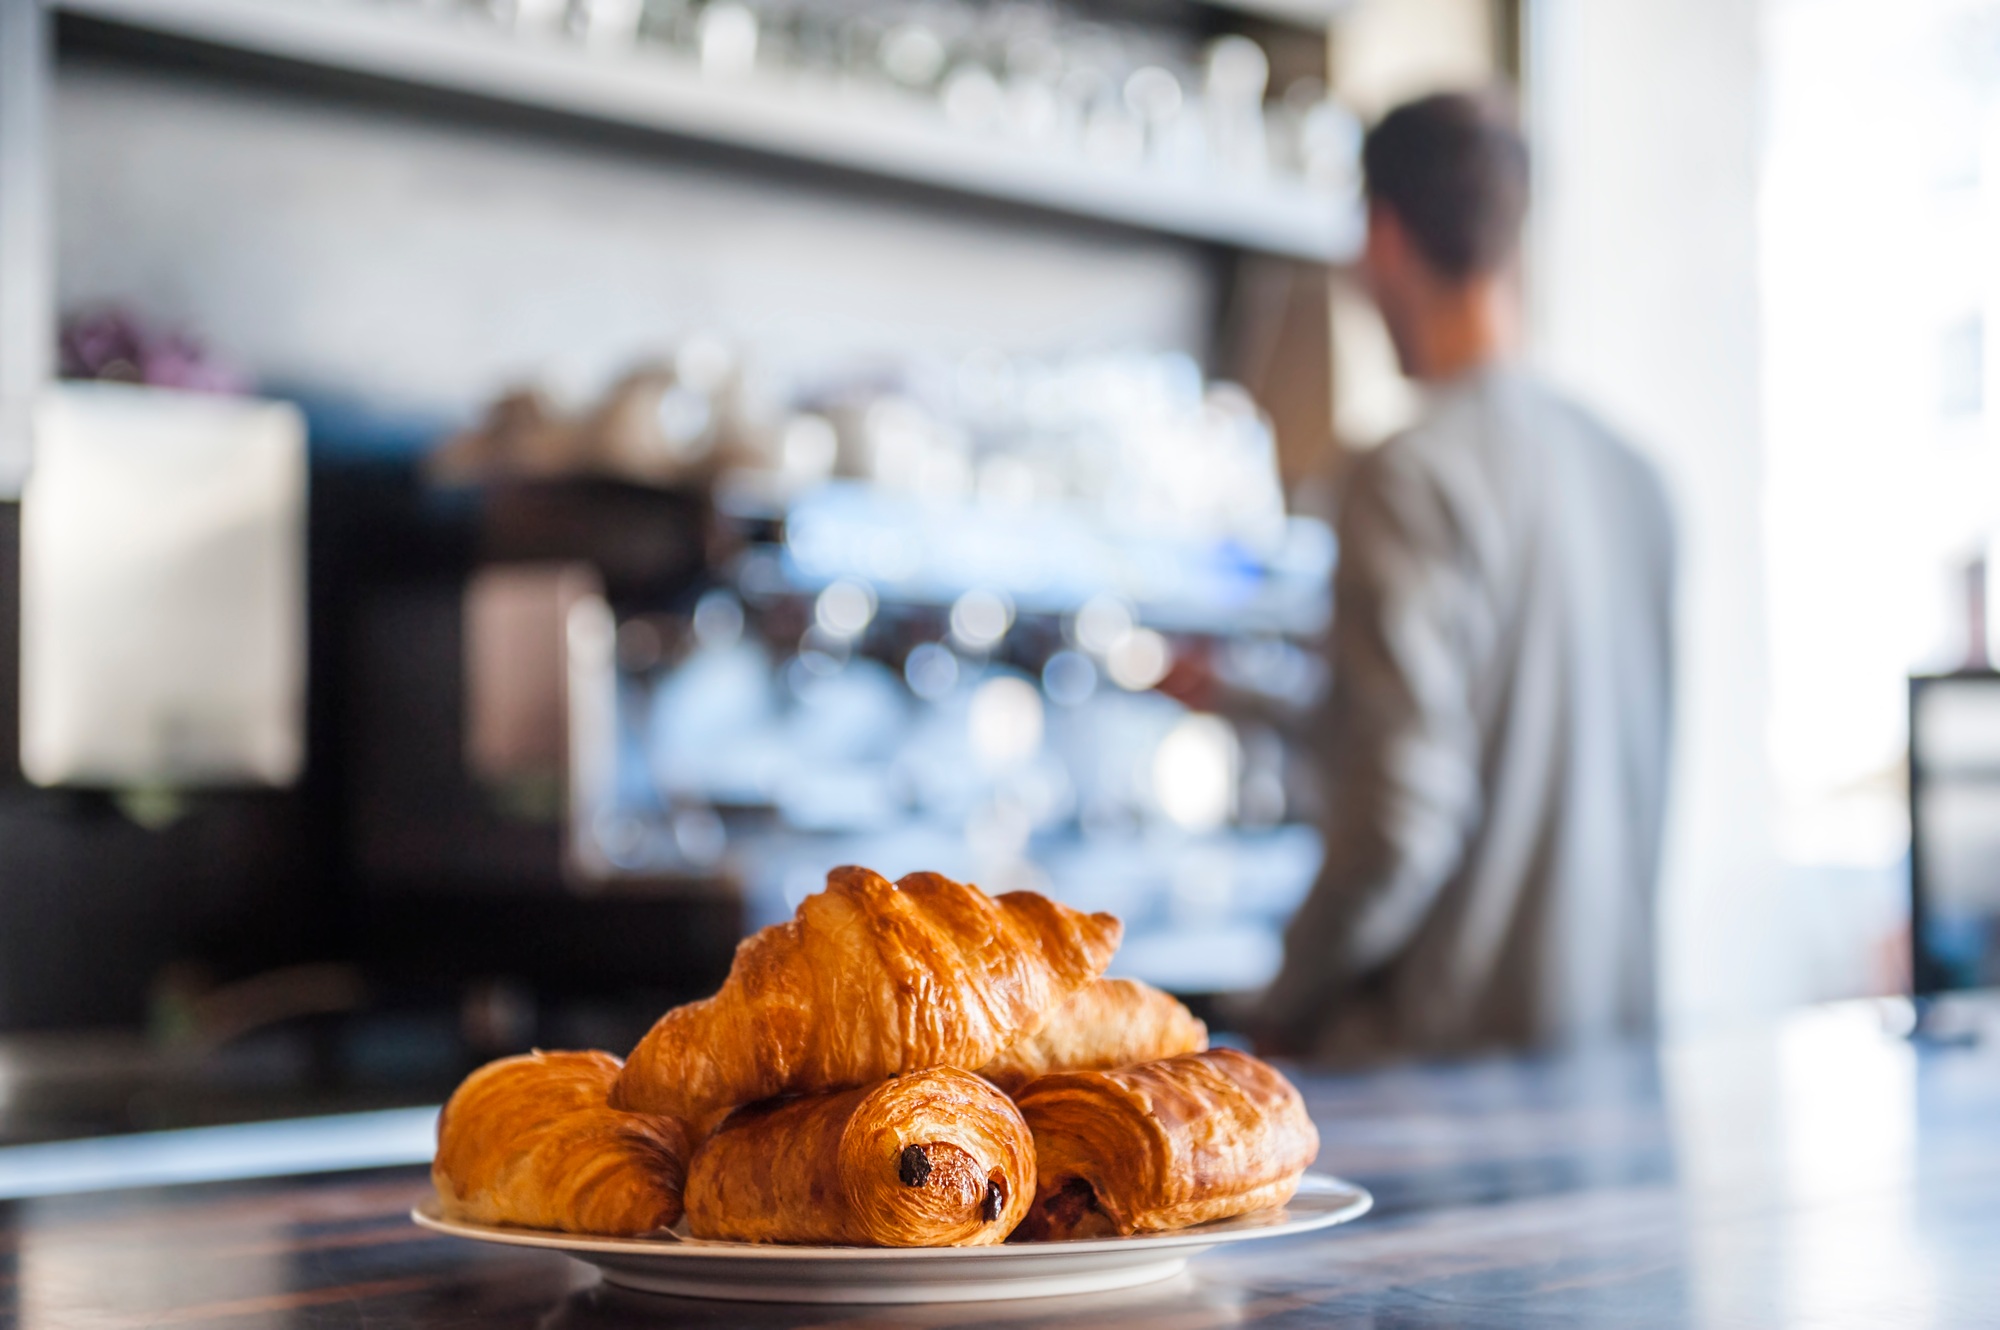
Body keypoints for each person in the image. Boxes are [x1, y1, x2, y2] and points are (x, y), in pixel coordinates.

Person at [1254, 91, 1676, 1062]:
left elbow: (1402, 816)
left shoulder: (1402, 472)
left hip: (1439, 1083)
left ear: (1381, 236)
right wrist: (1250, 702)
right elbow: (1515, 737)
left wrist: (1283, 998)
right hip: (1608, 1061)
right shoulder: (1637, 477)